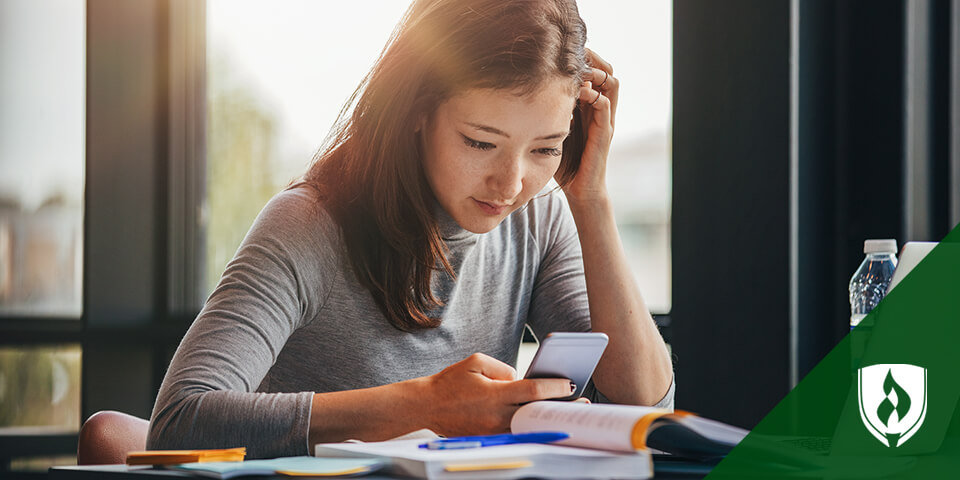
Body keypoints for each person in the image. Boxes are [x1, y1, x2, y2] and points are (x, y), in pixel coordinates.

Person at [148, 0, 674, 459]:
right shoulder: (308, 224)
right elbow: (179, 424)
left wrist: (593, 200)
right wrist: (423, 407)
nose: (511, 183)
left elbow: (648, 403)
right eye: (479, 142)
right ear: (418, 111)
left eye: (545, 148)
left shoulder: (537, 217)